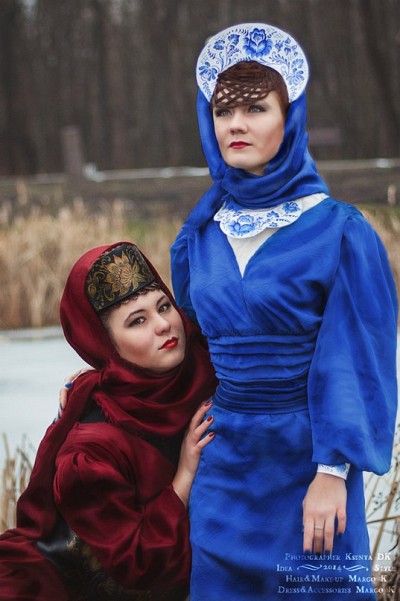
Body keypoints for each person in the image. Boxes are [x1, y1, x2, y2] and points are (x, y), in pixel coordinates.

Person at [170, 23, 398, 600]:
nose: (236, 124)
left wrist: (332, 473)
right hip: (224, 472)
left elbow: (356, 360)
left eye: (255, 108)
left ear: (290, 117)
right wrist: (98, 386)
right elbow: (184, 346)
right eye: (223, 110)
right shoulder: (199, 235)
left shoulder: (340, 231)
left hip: (309, 468)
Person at [0, 241, 217, 600]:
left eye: (164, 305)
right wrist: (183, 475)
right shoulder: (90, 452)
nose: (164, 325)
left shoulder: (204, 362)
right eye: (137, 321)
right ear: (105, 343)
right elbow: (140, 566)